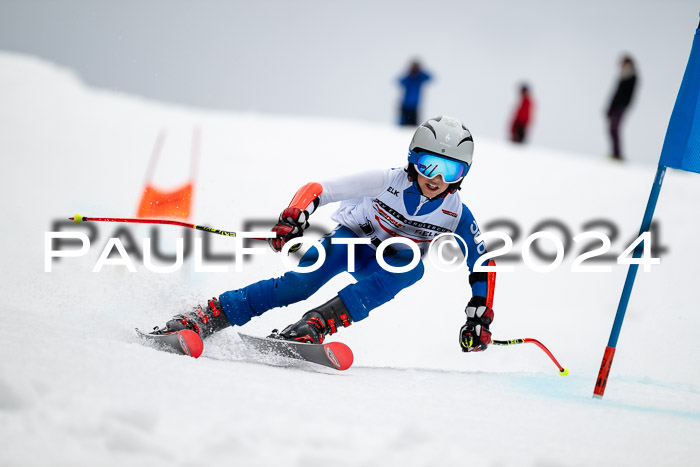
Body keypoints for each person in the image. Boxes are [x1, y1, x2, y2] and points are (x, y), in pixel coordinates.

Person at [152, 116, 495, 353]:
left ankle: (315, 325)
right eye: (428, 165)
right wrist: (293, 217)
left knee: (412, 265)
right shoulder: (387, 179)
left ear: (463, 175)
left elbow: (482, 263)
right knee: (296, 286)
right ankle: (207, 315)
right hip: (350, 242)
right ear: (412, 160)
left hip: (389, 261)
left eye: (450, 170)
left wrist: (479, 314)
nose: (436, 178)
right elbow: (321, 189)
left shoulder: (456, 215)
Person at [606, 55, 638, 160]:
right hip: (615, 107)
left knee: (614, 129)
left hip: (620, 107)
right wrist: (610, 108)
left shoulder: (631, 76)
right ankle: (615, 153)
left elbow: (628, 95)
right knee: (612, 130)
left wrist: (622, 106)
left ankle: (617, 154)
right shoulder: (622, 75)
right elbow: (616, 94)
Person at [398, 61, 432, 126]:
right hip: (406, 105)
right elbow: (400, 81)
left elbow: (430, 77)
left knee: (413, 125)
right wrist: (409, 73)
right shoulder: (408, 78)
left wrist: (421, 72)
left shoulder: (419, 78)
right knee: (404, 124)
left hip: (415, 106)